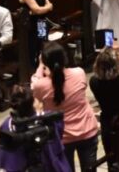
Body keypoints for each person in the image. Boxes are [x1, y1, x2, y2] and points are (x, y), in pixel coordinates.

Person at [31, 42, 100, 171]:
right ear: (65, 58)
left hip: (61, 137)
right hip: (87, 131)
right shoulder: (79, 73)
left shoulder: (40, 85)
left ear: (46, 63)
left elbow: (35, 84)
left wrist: (40, 66)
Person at [18, 0, 53, 66]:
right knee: (33, 48)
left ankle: (42, 66)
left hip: (41, 22)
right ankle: (32, 69)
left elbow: (50, 5)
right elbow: (37, 9)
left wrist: (42, 9)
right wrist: (43, 9)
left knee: (42, 46)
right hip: (30, 26)